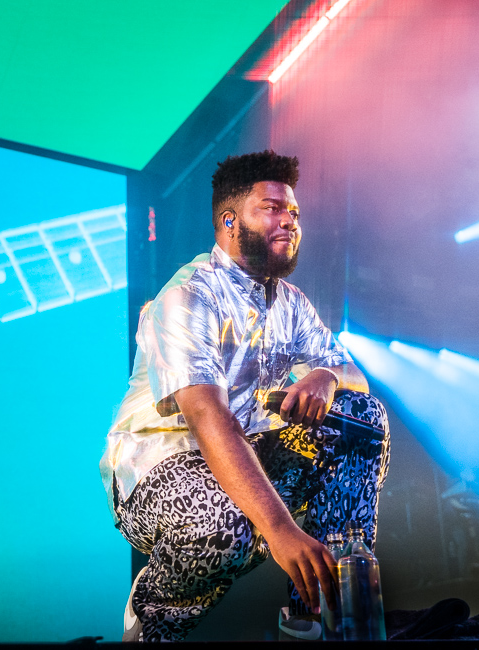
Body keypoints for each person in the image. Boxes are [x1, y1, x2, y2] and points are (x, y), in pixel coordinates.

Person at [100, 150, 390, 642]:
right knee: (224, 524)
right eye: (273, 208)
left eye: (293, 212)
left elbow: (353, 374)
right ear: (230, 221)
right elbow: (209, 420)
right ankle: (149, 627)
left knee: (359, 417)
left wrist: (326, 377)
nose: (289, 221)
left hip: (249, 454)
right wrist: (279, 531)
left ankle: (323, 611)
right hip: (159, 472)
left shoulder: (290, 302)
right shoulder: (188, 296)